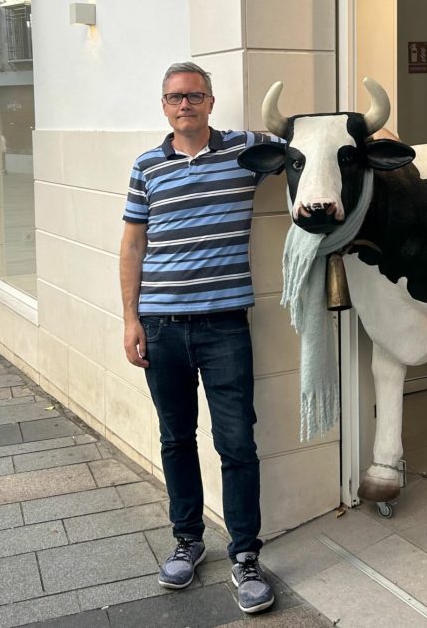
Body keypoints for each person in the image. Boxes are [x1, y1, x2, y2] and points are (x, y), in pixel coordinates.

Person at [119, 62, 279, 615]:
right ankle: (187, 541)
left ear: (210, 102)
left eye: (193, 96)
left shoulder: (244, 151)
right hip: (161, 327)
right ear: (163, 106)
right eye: (173, 98)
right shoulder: (147, 166)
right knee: (175, 438)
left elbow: (307, 143)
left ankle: (246, 556)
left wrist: (368, 137)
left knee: (237, 443)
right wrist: (130, 319)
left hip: (225, 326)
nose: (183, 104)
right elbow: (133, 247)